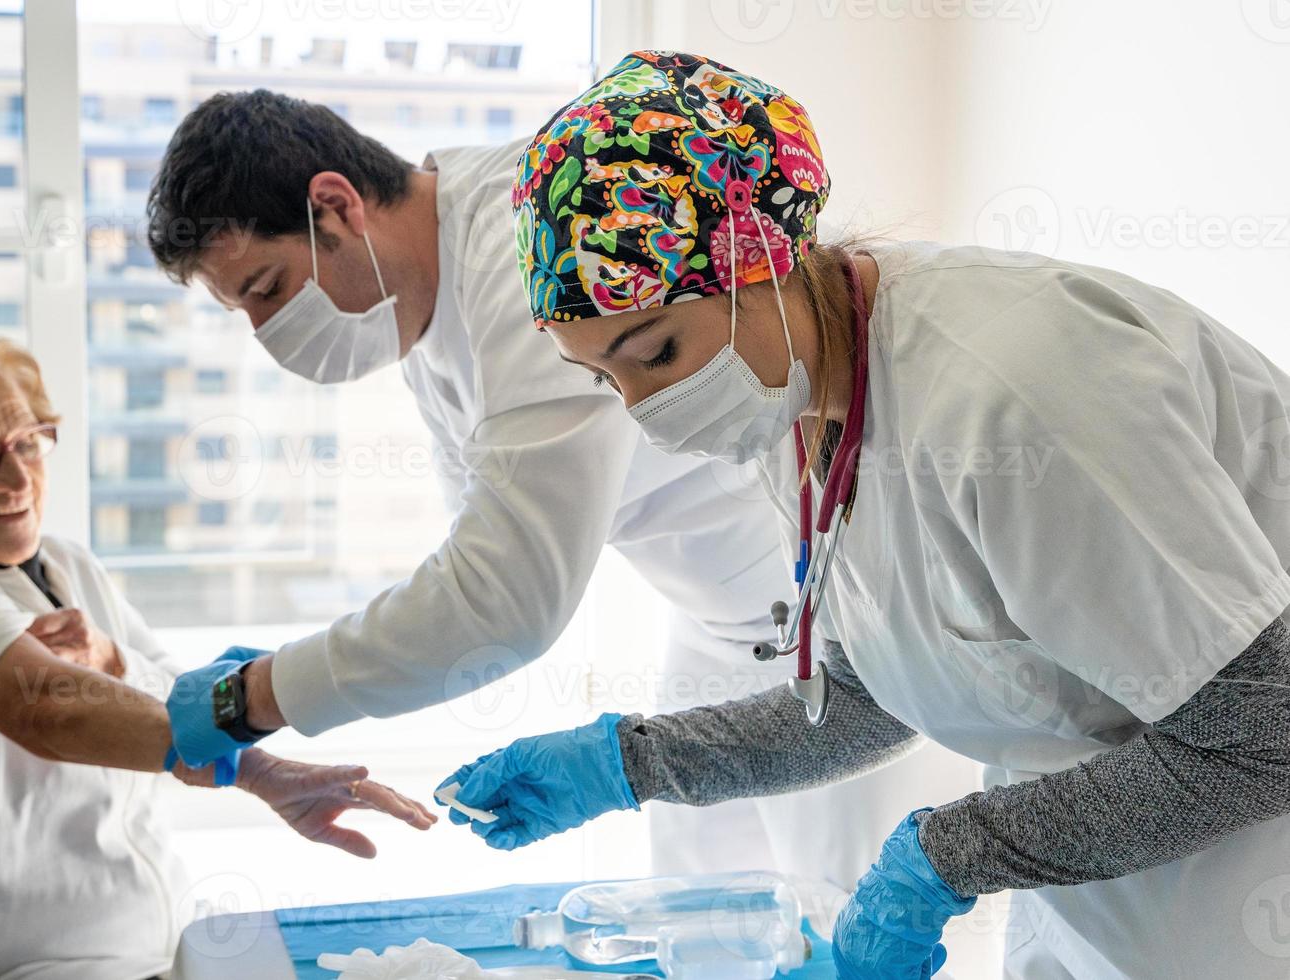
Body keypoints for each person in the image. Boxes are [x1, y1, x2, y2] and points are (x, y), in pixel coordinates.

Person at [436, 50, 1290, 980]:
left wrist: (945, 858)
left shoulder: (1017, 391)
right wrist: (631, 763)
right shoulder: (794, 398)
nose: (645, 410)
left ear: (761, 257)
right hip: (1103, 863)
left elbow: (1261, 732)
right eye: (605, 377)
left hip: (1253, 867)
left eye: (656, 351)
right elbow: (878, 691)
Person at [144, 89, 977, 889]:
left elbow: (503, 597)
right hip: (722, 622)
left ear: (336, 208)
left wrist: (254, 695)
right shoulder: (426, 312)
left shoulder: (527, 249)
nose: (267, 334)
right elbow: (475, 558)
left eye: (266, 290)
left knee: (833, 918)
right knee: (698, 914)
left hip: (844, 631)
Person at [0, 332, 434, 980]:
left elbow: (171, 688)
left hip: (155, 951)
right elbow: (48, 710)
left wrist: (256, 768)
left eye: (29, 441)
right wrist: (247, 736)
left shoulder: (67, 563)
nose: (17, 478)